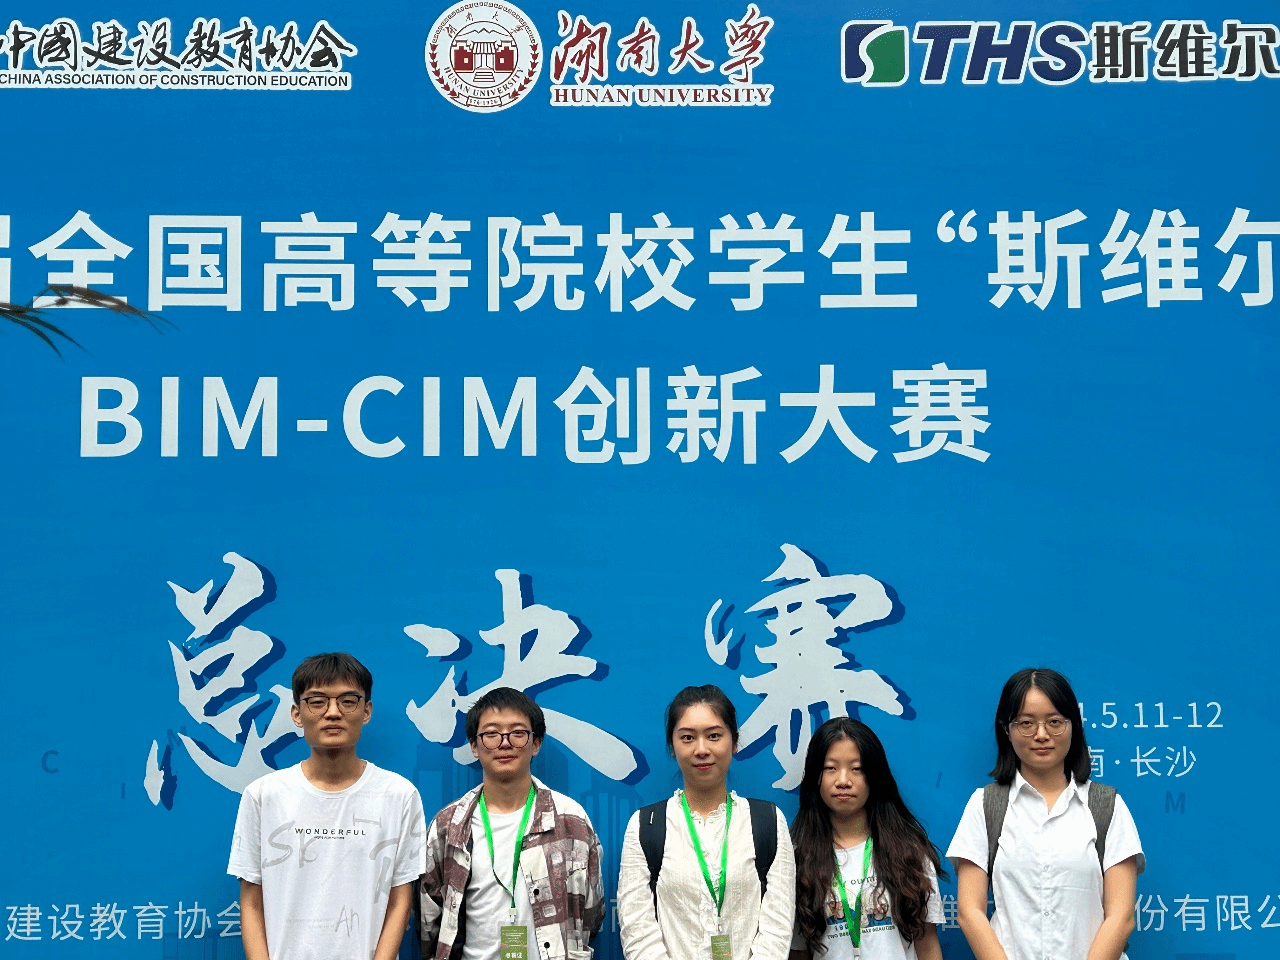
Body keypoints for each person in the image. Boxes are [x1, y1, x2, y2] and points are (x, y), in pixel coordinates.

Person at [227, 652, 426, 960]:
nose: (333, 713)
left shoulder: (399, 795)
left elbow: (400, 900)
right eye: (317, 701)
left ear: (366, 711)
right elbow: (251, 902)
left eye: (348, 701)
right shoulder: (264, 796)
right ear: (297, 713)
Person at [946, 668, 1144, 960]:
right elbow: (969, 911)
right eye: (1026, 723)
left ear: (1073, 726)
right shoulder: (985, 805)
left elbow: (1121, 916)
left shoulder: (1106, 805)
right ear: (1006, 729)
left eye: (1054, 722)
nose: (1041, 735)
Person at [420, 686, 604, 960]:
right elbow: (430, 919)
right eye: (491, 734)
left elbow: (590, 913)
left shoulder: (571, 820)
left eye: (518, 733)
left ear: (536, 743)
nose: (504, 743)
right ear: (474, 746)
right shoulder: (448, 825)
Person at [618, 684, 796, 960]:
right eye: (687, 738)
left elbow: (778, 927)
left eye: (714, 736)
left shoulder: (768, 821)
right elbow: (637, 929)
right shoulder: (645, 826)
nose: (701, 749)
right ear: (672, 747)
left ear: (734, 742)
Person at [790, 717, 944, 960]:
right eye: (830, 768)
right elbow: (798, 951)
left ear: (874, 775)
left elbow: (927, 945)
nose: (843, 781)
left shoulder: (909, 852)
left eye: (857, 768)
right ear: (815, 777)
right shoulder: (797, 859)